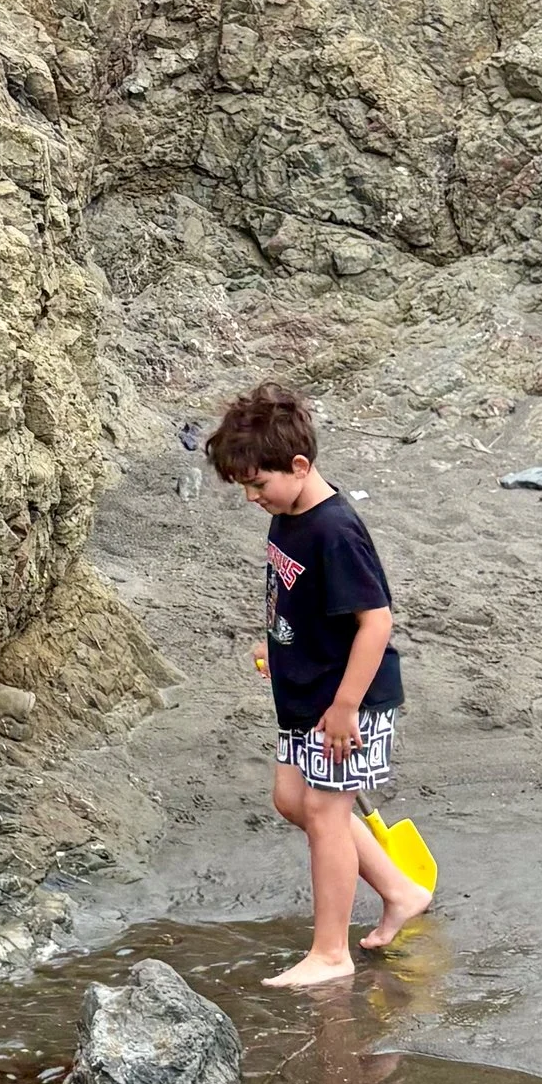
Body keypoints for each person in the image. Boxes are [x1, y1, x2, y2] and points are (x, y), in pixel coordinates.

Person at [206, 379, 432, 987]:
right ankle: (400, 889)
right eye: (245, 487)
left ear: (299, 465)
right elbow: (297, 596)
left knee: (327, 814)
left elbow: (376, 620)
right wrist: (276, 638)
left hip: (346, 702)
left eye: (258, 483)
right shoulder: (288, 514)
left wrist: (346, 706)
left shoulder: (335, 531)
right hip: (303, 688)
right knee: (292, 802)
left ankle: (331, 954)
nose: (253, 497)